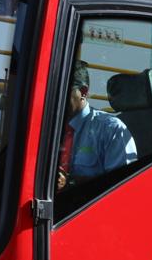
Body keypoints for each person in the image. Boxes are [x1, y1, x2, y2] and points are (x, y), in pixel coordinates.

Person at [58, 60, 137, 190]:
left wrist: (70, 182)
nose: (56, 98)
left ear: (83, 92)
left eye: (62, 91)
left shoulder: (111, 129)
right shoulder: (46, 128)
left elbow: (123, 186)